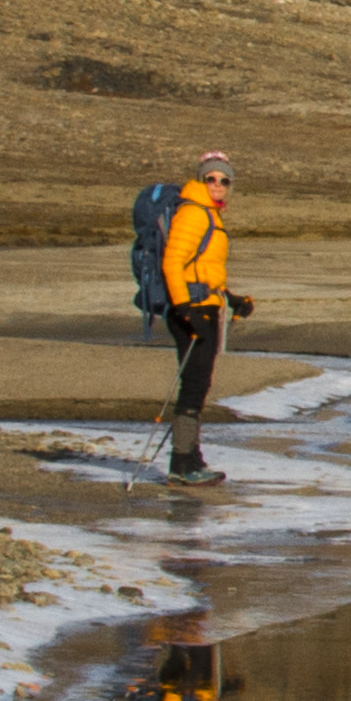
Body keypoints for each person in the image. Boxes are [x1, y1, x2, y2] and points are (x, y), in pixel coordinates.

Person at [130, 146, 250, 480]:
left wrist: (232, 298)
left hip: (205, 304)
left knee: (197, 382)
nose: (217, 185)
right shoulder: (195, 212)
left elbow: (203, 267)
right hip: (193, 309)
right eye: (211, 178)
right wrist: (185, 308)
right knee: (195, 383)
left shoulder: (208, 212)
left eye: (224, 181)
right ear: (201, 179)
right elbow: (172, 262)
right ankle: (182, 462)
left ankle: (190, 458)